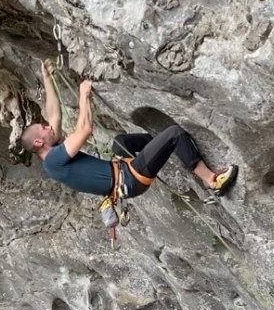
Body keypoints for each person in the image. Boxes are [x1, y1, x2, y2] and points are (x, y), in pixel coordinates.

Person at [20, 61, 238, 218]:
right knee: (174, 133)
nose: (49, 127)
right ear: (39, 142)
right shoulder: (53, 161)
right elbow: (85, 129)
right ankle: (211, 180)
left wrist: (47, 79)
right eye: (43, 128)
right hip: (130, 178)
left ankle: (164, 147)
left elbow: (54, 114)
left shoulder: (53, 154)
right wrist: (83, 95)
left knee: (120, 142)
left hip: (122, 170)